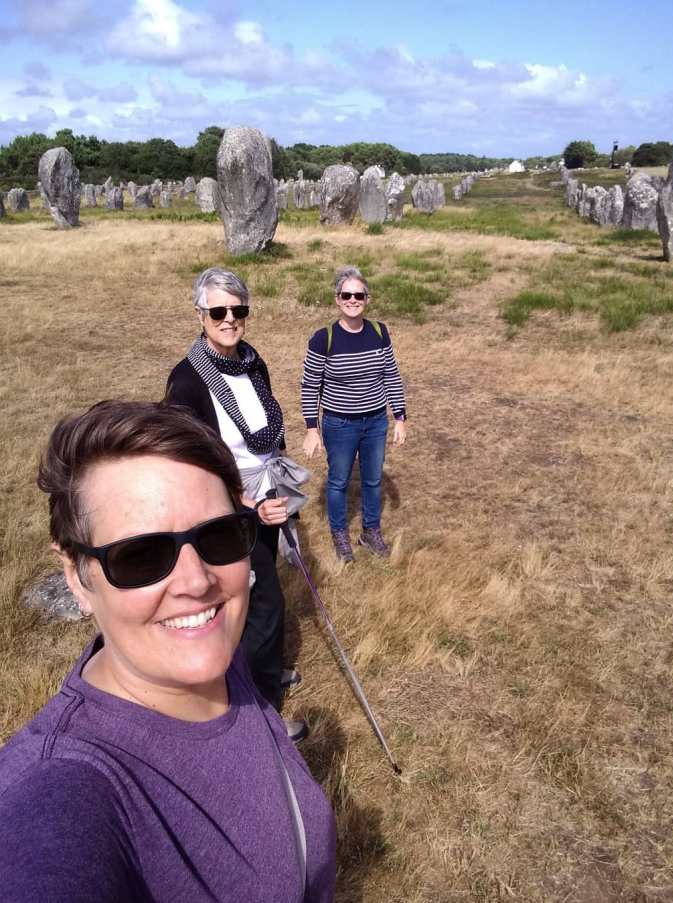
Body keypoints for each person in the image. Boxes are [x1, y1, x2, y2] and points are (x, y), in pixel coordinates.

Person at [0, 400, 336, 903]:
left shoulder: (214, 658)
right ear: (77, 575)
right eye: (141, 555)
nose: (197, 582)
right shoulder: (60, 791)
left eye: (219, 536)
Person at [166, 268, 309, 741]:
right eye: (218, 311)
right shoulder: (187, 381)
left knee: (256, 597)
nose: (229, 319)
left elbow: (270, 429)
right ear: (200, 315)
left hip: (266, 493)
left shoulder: (252, 361)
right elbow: (187, 461)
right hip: (223, 509)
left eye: (238, 309)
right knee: (261, 602)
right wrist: (242, 503)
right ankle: (258, 717)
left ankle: (261, 673)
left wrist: (277, 487)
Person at [301, 266, 407, 562]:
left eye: (358, 295)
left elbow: (391, 375)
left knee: (373, 480)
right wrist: (312, 428)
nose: (352, 300)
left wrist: (400, 417)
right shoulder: (323, 339)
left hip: (376, 421)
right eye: (346, 295)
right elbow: (310, 385)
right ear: (337, 299)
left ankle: (370, 533)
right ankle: (340, 536)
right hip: (339, 424)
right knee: (338, 482)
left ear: (367, 299)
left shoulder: (379, 332)